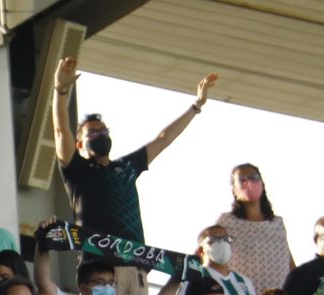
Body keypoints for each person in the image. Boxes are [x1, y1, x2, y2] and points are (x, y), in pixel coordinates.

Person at [51, 55, 216, 246]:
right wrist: (61, 90)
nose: (101, 135)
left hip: (136, 262)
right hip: (97, 265)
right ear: (79, 144)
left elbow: (164, 138)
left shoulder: (127, 167)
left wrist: (197, 105)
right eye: (93, 132)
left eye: (104, 130)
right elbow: (61, 131)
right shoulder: (77, 170)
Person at [220, 163, 294, 295]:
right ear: (234, 190)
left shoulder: (277, 223)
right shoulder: (226, 222)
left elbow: (288, 261)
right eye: (242, 180)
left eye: (254, 177)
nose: (249, 183)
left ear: (262, 184)